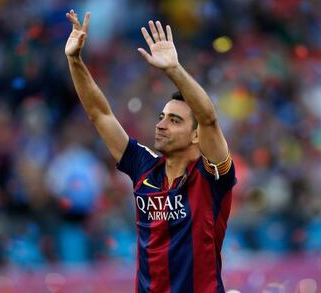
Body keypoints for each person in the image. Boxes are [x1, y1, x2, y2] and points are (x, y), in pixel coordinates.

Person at [65, 10, 236, 293]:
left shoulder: (211, 176)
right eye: (161, 117)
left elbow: (209, 118)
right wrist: (74, 61)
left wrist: (173, 70)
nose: (161, 125)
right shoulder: (144, 166)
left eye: (174, 120)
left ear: (196, 136)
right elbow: (100, 114)